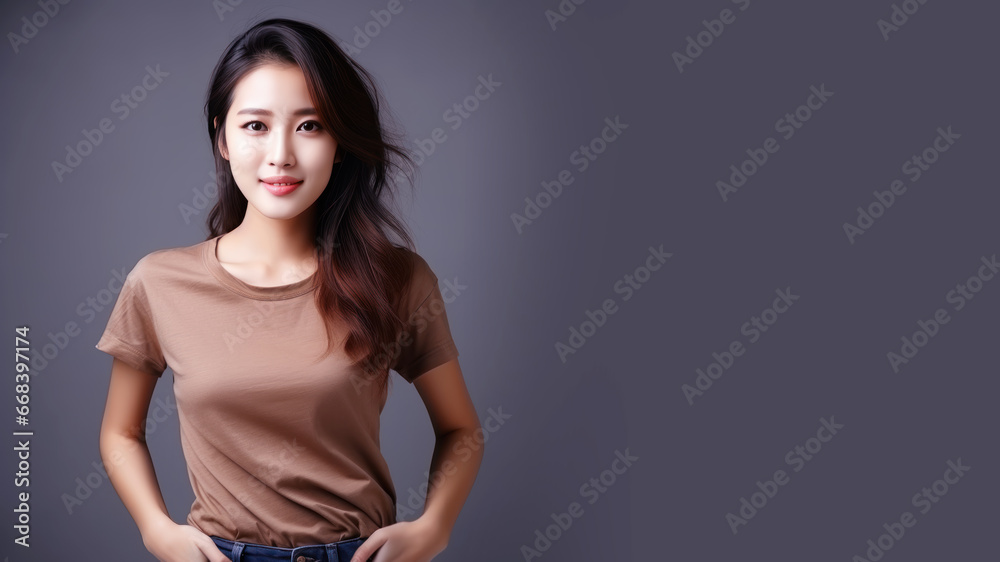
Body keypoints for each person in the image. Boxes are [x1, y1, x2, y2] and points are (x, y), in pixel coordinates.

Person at [95, 17, 483, 562]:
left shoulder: (396, 279)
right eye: (255, 126)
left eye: (310, 126)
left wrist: (433, 529)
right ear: (222, 137)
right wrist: (157, 531)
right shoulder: (159, 283)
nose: (281, 154)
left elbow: (461, 428)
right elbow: (119, 432)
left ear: (341, 144)